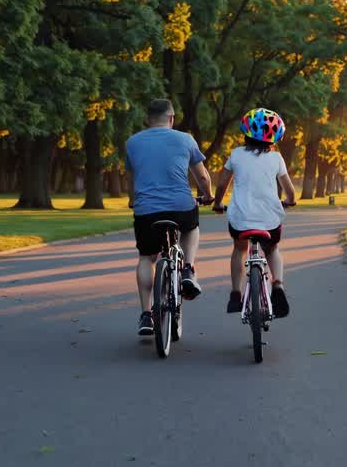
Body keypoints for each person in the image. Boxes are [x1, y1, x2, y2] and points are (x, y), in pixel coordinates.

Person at [124, 99, 214, 337]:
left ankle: (146, 314)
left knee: (147, 257)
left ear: (147, 119)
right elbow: (202, 177)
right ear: (172, 118)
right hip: (180, 207)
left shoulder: (132, 142)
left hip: (146, 211)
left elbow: (132, 180)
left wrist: (133, 200)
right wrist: (208, 195)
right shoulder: (185, 139)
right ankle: (187, 269)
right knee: (191, 227)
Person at [212, 107, 296, 318]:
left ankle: (235, 293)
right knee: (272, 249)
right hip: (269, 219)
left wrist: (218, 203)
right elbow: (290, 190)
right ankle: (277, 283)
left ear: (246, 133)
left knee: (240, 249)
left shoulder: (236, 155)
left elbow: (222, 184)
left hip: (241, 218)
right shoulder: (276, 158)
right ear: (274, 138)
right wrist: (290, 201)